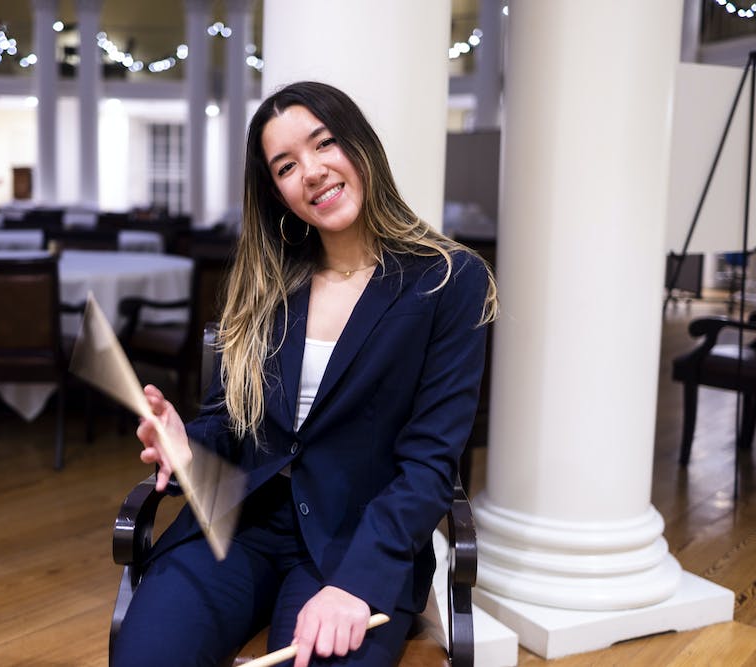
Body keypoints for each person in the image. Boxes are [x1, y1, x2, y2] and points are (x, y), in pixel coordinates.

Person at [111, 80, 498, 667]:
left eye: (325, 144)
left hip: (356, 541)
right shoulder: (263, 283)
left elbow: (429, 463)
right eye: (287, 165)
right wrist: (187, 440)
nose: (312, 172)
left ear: (361, 146)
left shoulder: (448, 280)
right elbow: (228, 419)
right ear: (277, 193)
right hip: (237, 523)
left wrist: (357, 583)